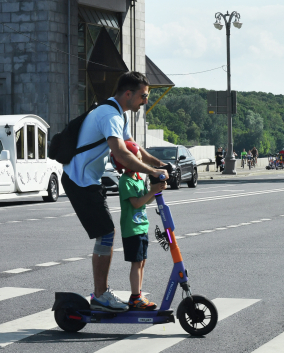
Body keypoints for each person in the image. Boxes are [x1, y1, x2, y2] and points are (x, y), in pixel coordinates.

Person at [62, 71, 169, 312]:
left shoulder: (119, 114)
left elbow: (134, 149)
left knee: (106, 234)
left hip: (89, 180)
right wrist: (152, 172)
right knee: (106, 233)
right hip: (78, 180)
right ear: (128, 94)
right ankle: (100, 295)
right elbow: (121, 154)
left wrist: (159, 164)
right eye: (143, 96)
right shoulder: (110, 115)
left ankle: (101, 293)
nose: (145, 101)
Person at [117, 141, 166, 310]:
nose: (141, 161)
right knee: (136, 263)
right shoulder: (125, 182)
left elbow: (145, 202)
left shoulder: (138, 178)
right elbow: (136, 203)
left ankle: (138, 294)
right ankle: (135, 297)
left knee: (142, 261)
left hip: (142, 226)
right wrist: (152, 191)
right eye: (137, 158)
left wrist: (156, 191)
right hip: (132, 229)